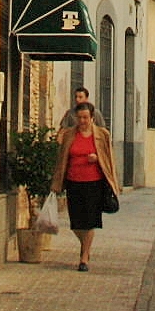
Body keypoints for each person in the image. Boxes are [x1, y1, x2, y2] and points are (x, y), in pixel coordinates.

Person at [52, 101, 121, 271]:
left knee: (90, 221)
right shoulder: (70, 135)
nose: (82, 121)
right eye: (79, 117)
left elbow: (109, 160)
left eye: (85, 117)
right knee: (76, 223)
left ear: (92, 118)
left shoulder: (102, 135)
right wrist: (57, 181)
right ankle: (86, 246)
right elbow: (62, 159)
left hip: (94, 183)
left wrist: (97, 159)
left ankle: (84, 258)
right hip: (73, 182)